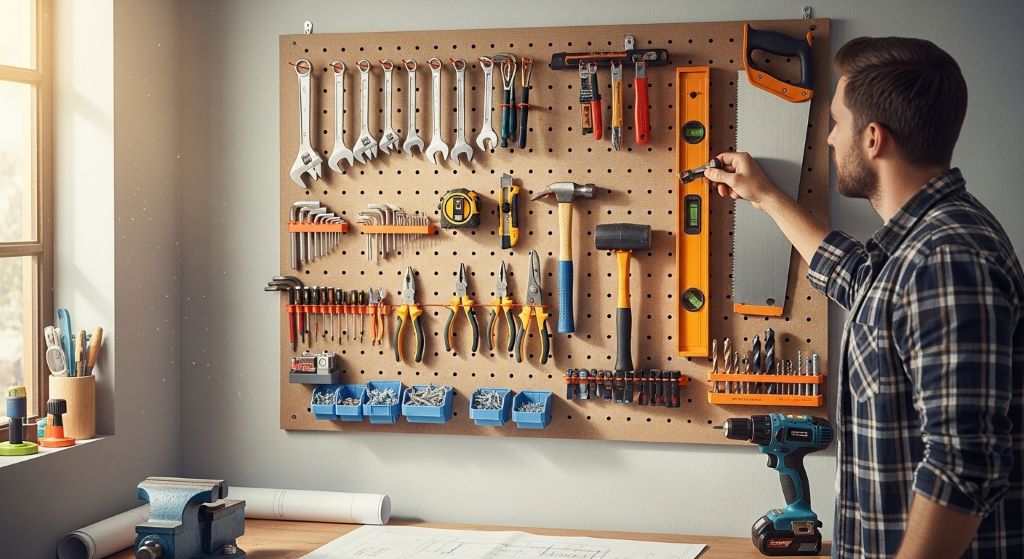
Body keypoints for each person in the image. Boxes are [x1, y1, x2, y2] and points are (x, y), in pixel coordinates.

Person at [705, 37, 1023, 559]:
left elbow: (963, 466)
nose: (829, 139)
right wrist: (764, 196)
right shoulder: (918, 250)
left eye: (836, 122)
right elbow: (855, 278)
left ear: (873, 138)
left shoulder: (944, 258)